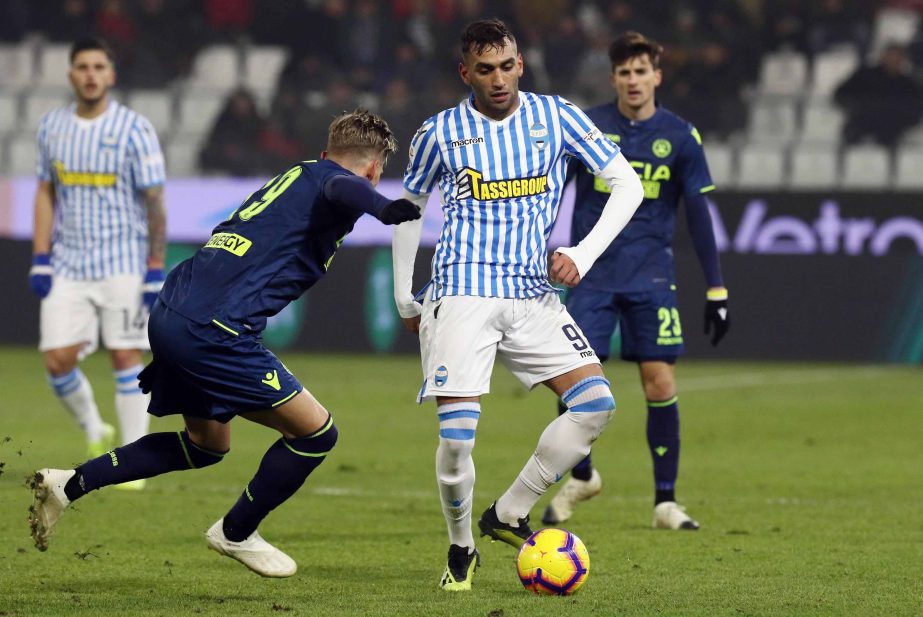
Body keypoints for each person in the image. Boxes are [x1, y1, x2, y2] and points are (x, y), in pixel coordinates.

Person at [29, 109, 422, 578]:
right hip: (214, 330)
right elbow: (343, 186)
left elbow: (333, 184)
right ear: (375, 169)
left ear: (324, 151)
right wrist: (383, 207)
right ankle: (236, 532)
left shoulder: (297, 174)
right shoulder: (334, 183)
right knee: (317, 434)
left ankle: (70, 484)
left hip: (173, 310)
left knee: (205, 445)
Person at [392, 19, 644, 591]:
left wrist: (581, 253)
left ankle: (506, 514)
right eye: (485, 69)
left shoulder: (556, 117)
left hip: (534, 294)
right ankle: (461, 549)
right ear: (466, 73)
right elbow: (409, 207)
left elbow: (625, 183)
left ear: (520, 64)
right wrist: (404, 296)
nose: (498, 79)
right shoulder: (441, 132)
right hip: (461, 291)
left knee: (595, 406)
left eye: (506, 66)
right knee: (457, 439)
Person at [541, 32, 730, 531]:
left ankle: (665, 502)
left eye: (640, 71)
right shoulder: (591, 127)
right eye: (624, 73)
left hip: (651, 276)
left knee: (659, 380)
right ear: (614, 79)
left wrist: (716, 288)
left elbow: (699, 216)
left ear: (656, 77)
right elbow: (552, 192)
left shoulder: (681, 136)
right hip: (594, 274)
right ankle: (581, 475)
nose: (632, 80)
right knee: (572, 378)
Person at [28, 37, 167, 490]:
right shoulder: (51, 128)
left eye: (98, 66)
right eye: (82, 66)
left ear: (111, 75)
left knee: (127, 355)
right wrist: (41, 257)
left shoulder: (134, 129)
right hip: (68, 263)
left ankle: (132, 464)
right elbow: (46, 191)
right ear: (71, 74)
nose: (90, 74)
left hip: (123, 262)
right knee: (56, 361)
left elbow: (155, 202)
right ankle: (93, 428)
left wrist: (154, 264)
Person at [834, 43, 923, 149]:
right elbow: (841, 94)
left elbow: (917, 107)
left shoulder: (908, 83)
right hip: (861, 121)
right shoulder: (865, 75)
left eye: (897, 57)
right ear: (883, 56)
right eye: (891, 56)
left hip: (892, 128)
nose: (893, 60)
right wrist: (855, 106)